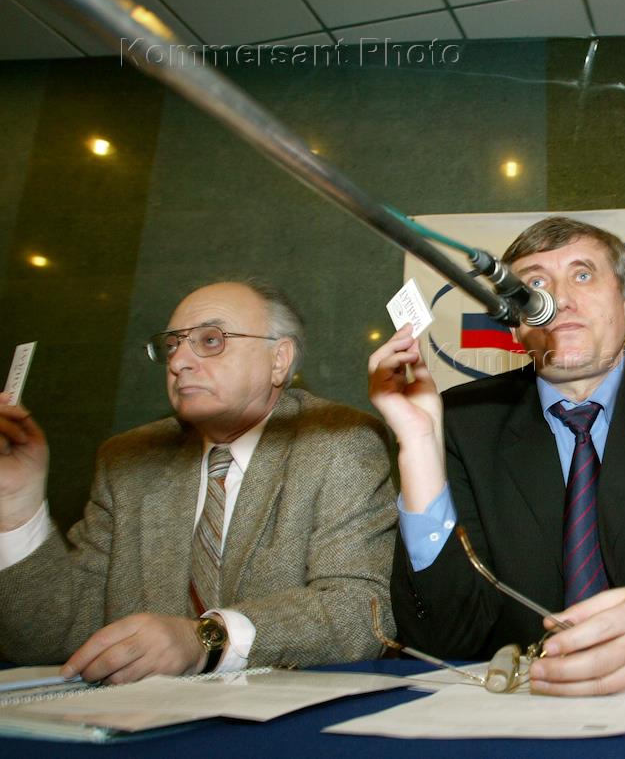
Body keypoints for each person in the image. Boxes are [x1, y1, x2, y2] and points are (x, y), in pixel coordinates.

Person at [369, 216, 625, 695]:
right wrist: (419, 445)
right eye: (534, 285)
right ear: (516, 325)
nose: (559, 299)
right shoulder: (463, 421)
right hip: (522, 703)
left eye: (583, 275)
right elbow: (443, 638)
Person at [0, 281, 397, 683]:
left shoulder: (338, 442)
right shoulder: (128, 460)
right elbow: (50, 637)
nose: (178, 362)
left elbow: (360, 612)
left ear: (279, 360)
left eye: (210, 340)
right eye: (172, 345)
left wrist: (206, 640)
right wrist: (16, 504)